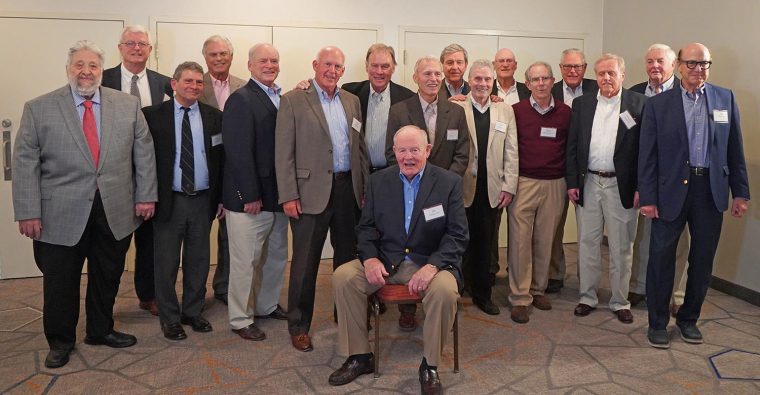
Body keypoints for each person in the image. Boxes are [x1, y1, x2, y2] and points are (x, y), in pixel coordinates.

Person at [12, 40, 157, 368]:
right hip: (58, 212)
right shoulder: (39, 107)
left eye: (92, 65)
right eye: (79, 65)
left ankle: (100, 329)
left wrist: (146, 195)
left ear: (100, 71)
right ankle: (60, 341)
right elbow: (24, 162)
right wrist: (28, 211)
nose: (86, 71)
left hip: (115, 208)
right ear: (68, 69)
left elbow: (143, 153)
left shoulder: (126, 105)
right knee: (61, 280)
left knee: (108, 274)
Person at [329, 125, 467, 395]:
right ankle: (359, 356)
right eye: (402, 150)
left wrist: (432, 266)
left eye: (415, 149)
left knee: (445, 291)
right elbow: (366, 228)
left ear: (427, 150)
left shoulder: (449, 182)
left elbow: (458, 235)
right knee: (344, 276)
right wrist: (369, 259)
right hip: (387, 260)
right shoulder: (379, 181)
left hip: (431, 262)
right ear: (394, 152)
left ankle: (430, 365)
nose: (408, 157)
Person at [639, 43, 750, 349]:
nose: (698, 69)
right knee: (661, 259)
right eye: (691, 64)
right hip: (669, 193)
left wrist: (740, 192)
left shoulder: (724, 98)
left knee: (702, 260)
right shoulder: (659, 105)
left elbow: (734, 149)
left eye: (704, 64)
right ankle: (657, 323)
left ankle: (689, 320)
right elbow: (647, 156)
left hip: (710, 192)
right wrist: (648, 196)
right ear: (678, 66)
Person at [275, 46, 368, 352]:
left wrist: (363, 189)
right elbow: (283, 153)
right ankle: (299, 325)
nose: (332, 70)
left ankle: (348, 314)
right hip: (308, 194)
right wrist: (288, 194)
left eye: (338, 66)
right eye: (327, 64)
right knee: (305, 264)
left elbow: (360, 149)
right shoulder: (292, 99)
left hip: (346, 191)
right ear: (315, 65)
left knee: (348, 260)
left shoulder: (352, 101)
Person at [384, 55, 469, 330]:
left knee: (442, 242)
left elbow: (462, 153)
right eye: (427, 74)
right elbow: (391, 152)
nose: (433, 79)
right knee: (409, 246)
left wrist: (444, 187)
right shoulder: (399, 110)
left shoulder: (455, 112)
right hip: (408, 191)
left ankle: (441, 297)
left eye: (437, 74)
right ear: (415, 78)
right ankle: (407, 308)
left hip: (443, 194)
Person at [143, 61, 224, 340]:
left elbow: (221, 160)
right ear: (174, 84)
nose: (194, 86)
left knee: (199, 259)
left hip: (203, 199)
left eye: (199, 82)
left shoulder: (215, 116)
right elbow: (142, 160)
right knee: (165, 263)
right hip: (169, 200)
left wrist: (222, 198)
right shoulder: (153, 116)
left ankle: (192, 311)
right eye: (188, 81)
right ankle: (169, 317)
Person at [566, 54, 646, 324]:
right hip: (588, 182)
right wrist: (572, 183)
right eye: (601, 74)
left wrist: (641, 187)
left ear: (622, 75)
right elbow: (573, 146)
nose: (606, 78)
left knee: (622, 246)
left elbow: (644, 152)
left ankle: (619, 301)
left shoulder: (638, 104)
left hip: (621, 185)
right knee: (587, 243)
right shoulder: (582, 104)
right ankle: (587, 297)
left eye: (612, 73)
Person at [101, 25, 172, 316]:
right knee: (111, 243)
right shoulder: (102, 79)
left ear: (150, 50)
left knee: (149, 240)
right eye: (130, 43)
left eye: (142, 44)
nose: (136, 48)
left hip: (151, 172)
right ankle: (105, 301)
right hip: (112, 175)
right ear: (120, 47)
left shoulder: (165, 83)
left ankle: (148, 294)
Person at [223, 43, 289, 342]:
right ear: (249, 65)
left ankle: (266, 305)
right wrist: (250, 195)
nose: (269, 65)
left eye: (274, 60)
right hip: (250, 200)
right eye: (263, 60)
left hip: (278, 196)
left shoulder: (280, 97)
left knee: (275, 256)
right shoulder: (241, 99)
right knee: (245, 261)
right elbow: (237, 152)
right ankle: (240, 318)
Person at [508, 61, 571, 324]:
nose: (541, 83)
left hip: (555, 183)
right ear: (527, 83)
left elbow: (571, 147)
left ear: (553, 81)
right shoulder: (516, 111)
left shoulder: (566, 113)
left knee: (546, 240)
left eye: (546, 78)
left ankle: (538, 289)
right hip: (524, 182)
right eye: (535, 80)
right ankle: (520, 297)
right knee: (520, 240)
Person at [628, 43, 689, 312]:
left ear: (674, 64)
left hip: (676, 180)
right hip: (645, 177)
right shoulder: (633, 94)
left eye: (660, 61)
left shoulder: (686, 93)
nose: (655, 66)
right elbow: (628, 140)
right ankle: (640, 287)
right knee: (642, 237)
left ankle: (675, 294)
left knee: (677, 242)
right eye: (650, 60)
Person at [454, 60, 518, 315]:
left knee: (485, 243)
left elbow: (512, 151)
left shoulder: (506, 111)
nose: (482, 83)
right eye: (477, 79)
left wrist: (509, 186)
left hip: (492, 188)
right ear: (469, 81)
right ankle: (455, 292)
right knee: (458, 242)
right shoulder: (456, 107)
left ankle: (483, 294)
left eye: (487, 80)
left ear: (493, 83)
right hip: (461, 188)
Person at [196, 35, 247, 305]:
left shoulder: (244, 85)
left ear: (231, 56)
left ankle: (224, 286)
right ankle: (194, 292)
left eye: (224, 54)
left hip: (234, 171)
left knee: (230, 236)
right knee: (198, 238)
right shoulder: (193, 83)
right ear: (205, 57)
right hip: (202, 171)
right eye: (213, 54)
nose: (219, 59)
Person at [545, 48, 599, 294]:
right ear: (560, 68)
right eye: (567, 67)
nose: (572, 71)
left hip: (587, 170)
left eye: (577, 66)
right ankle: (555, 273)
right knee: (554, 227)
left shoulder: (598, 88)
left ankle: (587, 281)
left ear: (585, 68)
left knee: (588, 230)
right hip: (556, 167)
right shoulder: (550, 90)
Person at [342, 43, 415, 173]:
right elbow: (326, 97)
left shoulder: (407, 98)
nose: (379, 71)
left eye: (385, 66)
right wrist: (307, 86)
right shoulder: (350, 93)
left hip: (394, 172)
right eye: (374, 65)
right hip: (359, 173)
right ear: (366, 67)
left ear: (393, 68)